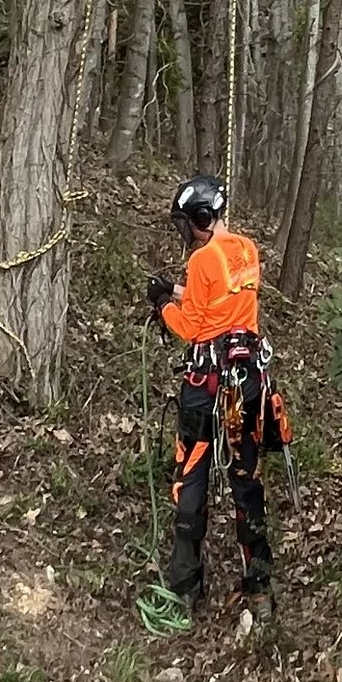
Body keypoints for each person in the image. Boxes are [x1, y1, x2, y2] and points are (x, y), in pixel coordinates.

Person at [146, 176, 287, 619]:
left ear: (201, 220)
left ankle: (185, 586)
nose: (185, 233)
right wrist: (176, 291)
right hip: (246, 383)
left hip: (206, 385)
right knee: (247, 479)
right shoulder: (247, 250)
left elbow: (192, 326)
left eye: (188, 223)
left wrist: (162, 306)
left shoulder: (202, 258)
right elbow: (220, 301)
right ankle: (258, 586)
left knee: (191, 477)